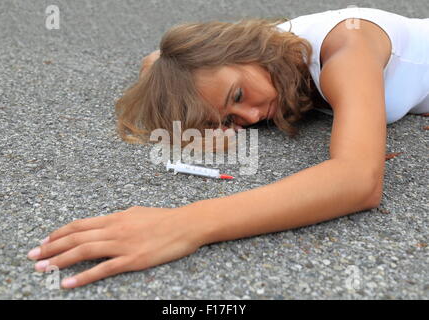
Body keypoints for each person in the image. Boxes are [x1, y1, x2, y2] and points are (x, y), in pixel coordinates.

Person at [27, 7, 429, 289]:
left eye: (238, 95)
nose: (252, 117)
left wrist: (185, 224)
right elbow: (156, 61)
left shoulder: (346, 46)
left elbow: (358, 179)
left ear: (244, 50)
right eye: (231, 117)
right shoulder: (266, 54)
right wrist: (200, 126)